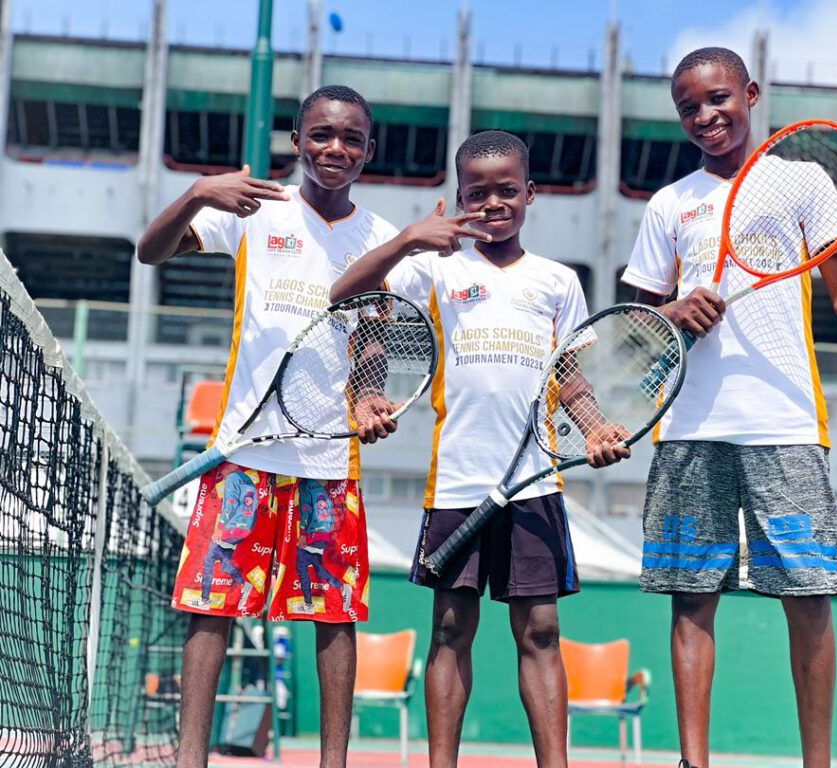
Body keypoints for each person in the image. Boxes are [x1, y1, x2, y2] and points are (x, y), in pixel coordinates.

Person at [621, 48, 837, 768]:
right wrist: (675, 313)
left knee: (807, 598)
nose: (705, 116)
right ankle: (693, 762)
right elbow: (634, 334)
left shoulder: (804, 180)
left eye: (717, 98)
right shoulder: (669, 205)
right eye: (688, 107)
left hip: (786, 425)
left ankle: (816, 763)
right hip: (689, 429)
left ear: (751, 94)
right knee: (690, 598)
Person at [331, 130, 629, 768]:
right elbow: (354, 300)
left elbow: (569, 375)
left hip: (535, 485)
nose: (492, 204)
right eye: (477, 193)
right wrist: (364, 394)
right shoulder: (434, 267)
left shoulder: (558, 281)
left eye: (505, 191)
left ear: (530, 194)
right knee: (450, 629)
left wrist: (597, 427)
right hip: (458, 485)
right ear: (458, 198)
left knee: (542, 633)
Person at [137, 84, 404, 768]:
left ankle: (333, 762)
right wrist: (198, 191)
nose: (334, 148)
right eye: (320, 135)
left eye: (350, 139)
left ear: (369, 151)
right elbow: (151, 252)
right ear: (296, 140)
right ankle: (189, 758)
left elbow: (370, 342)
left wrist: (368, 401)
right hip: (242, 452)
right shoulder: (256, 209)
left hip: (328, 461)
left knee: (336, 614)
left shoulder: (379, 238)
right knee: (210, 606)